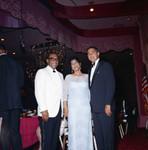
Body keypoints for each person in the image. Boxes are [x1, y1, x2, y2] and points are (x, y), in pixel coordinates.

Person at [87, 46, 115, 150]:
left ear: (98, 53)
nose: (90, 55)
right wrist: (90, 108)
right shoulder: (90, 69)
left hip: (105, 108)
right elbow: (91, 91)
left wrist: (108, 104)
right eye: (88, 53)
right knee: (99, 138)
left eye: (92, 52)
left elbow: (111, 85)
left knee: (108, 138)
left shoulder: (105, 66)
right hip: (95, 109)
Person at [63, 56, 93, 150]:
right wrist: (65, 108)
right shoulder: (68, 77)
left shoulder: (87, 77)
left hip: (85, 108)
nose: (74, 65)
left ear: (80, 64)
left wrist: (91, 109)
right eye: (72, 64)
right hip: (73, 109)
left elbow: (90, 94)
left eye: (76, 62)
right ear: (71, 67)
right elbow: (64, 94)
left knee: (86, 131)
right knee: (74, 131)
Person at [35, 53, 63, 150]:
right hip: (46, 111)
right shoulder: (41, 72)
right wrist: (43, 110)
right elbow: (38, 92)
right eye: (52, 59)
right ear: (47, 61)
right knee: (46, 140)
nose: (55, 61)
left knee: (55, 140)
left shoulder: (60, 75)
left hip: (58, 111)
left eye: (56, 59)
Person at [0, 44, 24, 150]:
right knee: (15, 131)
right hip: (15, 102)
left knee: (4, 133)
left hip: (1, 103)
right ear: (6, 51)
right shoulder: (16, 63)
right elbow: (22, 83)